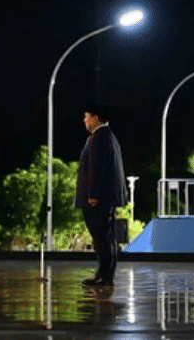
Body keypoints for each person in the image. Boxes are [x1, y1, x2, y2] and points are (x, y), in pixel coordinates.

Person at [74, 103, 127, 286]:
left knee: (101, 237)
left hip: (98, 200)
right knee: (106, 236)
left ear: (95, 118)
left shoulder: (99, 138)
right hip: (105, 198)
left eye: (86, 116)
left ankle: (104, 275)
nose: (84, 120)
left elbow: (97, 169)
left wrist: (93, 194)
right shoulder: (108, 136)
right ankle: (105, 274)